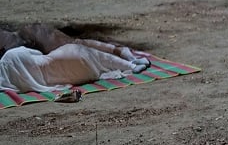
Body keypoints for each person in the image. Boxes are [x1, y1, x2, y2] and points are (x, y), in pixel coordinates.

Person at [1, 26, 150, 94]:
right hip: (58, 58)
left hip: (70, 77)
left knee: (96, 61)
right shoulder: (12, 55)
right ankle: (129, 62)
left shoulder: (14, 81)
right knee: (91, 52)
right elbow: (35, 53)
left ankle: (129, 62)